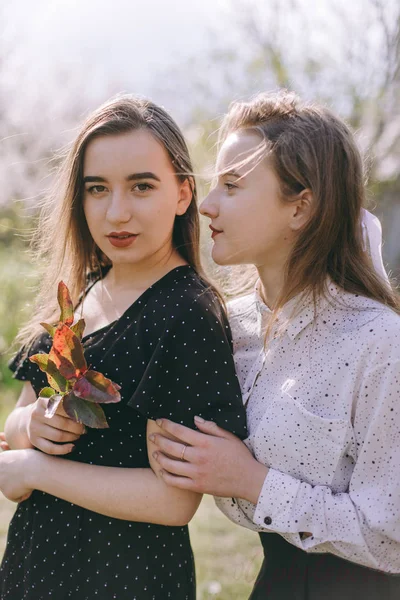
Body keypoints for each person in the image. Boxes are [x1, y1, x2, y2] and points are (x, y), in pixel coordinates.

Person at [148, 91, 400, 598]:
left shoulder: (378, 343)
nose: (206, 204)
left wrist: (252, 482)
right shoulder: (227, 327)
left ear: (301, 208)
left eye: (233, 185)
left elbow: (390, 535)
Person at [0, 95, 247, 600]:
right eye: (97, 189)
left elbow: (173, 501)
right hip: (35, 566)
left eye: (141, 186)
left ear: (182, 194)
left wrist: (36, 468)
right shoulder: (80, 294)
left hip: (120, 575)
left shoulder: (187, 313)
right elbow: (12, 445)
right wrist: (32, 426)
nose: (117, 211)